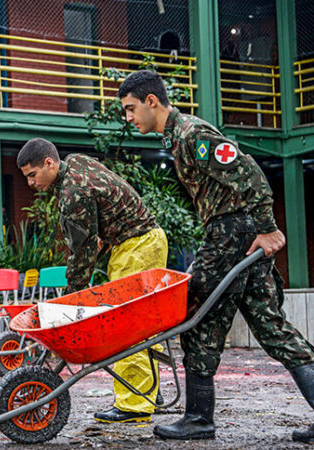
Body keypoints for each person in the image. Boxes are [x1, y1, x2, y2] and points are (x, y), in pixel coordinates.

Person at [117, 70, 314, 442]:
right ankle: (198, 418)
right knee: (271, 327)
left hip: (231, 232)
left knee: (196, 315)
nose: (128, 118)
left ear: (151, 102)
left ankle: (198, 419)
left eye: (130, 109)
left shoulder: (193, 135)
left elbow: (251, 175)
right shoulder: (177, 138)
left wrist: (267, 228)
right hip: (236, 231)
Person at [17, 138, 168, 423]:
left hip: (136, 247)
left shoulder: (74, 193)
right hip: (143, 242)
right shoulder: (75, 161)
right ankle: (149, 391)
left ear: (49, 163)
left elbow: (82, 252)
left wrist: (69, 302)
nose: (30, 184)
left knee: (126, 327)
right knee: (142, 324)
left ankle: (134, 405)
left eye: (32, 175)